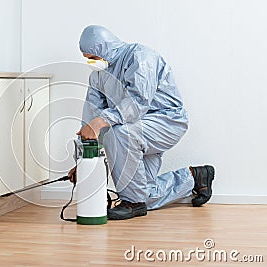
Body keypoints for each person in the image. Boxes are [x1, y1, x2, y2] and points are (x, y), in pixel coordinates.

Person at [68, 25, 215, 220]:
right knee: (145, 193)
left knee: (120, 133)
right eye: (87, 58)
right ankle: (195, 177)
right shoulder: (98, 76)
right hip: (136, 129)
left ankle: (133, 204)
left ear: (105, 48)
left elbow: (137, 102)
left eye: (93, 57)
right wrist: (83, 160)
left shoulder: (140, 57)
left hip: (166, 121)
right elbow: (90, 119)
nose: (91, 63)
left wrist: (101, 121)